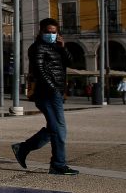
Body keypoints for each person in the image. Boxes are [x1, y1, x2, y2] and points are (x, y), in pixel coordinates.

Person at [12, 18, 79, 175]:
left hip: (56, 93)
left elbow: (70, 63)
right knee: (59, 129)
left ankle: (23, 148)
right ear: (41, 32)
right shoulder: (37, 47)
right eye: (48, 32)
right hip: (46, 94)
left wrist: (63, 48)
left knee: (55, 129)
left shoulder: (57, 47)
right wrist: (53, 88)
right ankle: (58, 164)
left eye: (54, 32)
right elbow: (39, 70)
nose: (51, 35)